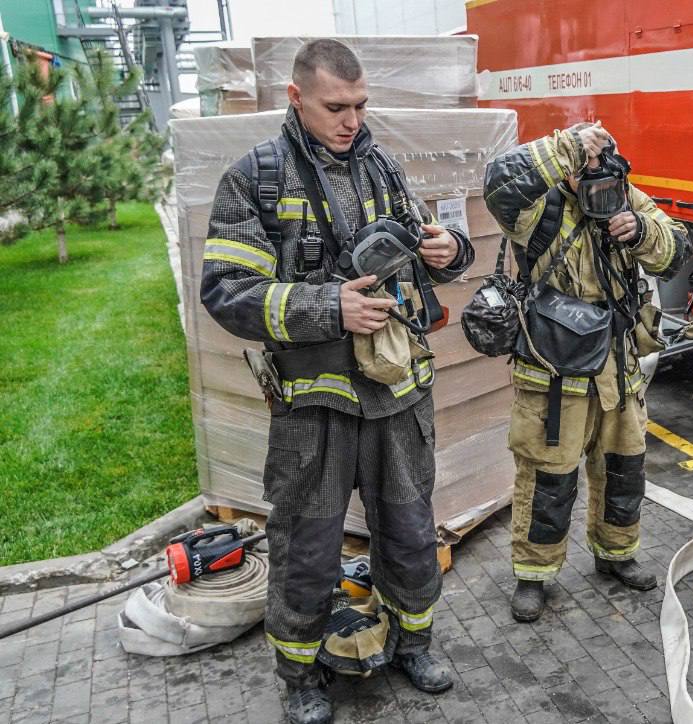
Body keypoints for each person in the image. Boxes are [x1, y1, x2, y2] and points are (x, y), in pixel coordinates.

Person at [201, 39, 473, 724]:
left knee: (411, 531)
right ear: (296, 98)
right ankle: (300, 675)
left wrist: (447, 254)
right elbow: (227, 290)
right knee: (306, 545)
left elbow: (417, 257)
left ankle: (414, 641)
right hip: (312, 404)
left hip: (397, 394)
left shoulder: (383, 168)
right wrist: (329, 307)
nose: (351, 120)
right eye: (335, 107)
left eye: (359, 106)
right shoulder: (256, 178)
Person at [483, 122, 692, 622]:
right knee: (548, 475)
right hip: (554, 368)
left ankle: (617, 553)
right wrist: (566, 146)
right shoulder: (539, 207)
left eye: (601, 170)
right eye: (583, 170)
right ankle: (534, 575)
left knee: (625, 466)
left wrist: (641, 231)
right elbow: (498, 183)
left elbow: (677, 251)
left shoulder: (626, 197)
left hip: (618, 365)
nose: (593, 181)